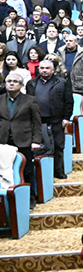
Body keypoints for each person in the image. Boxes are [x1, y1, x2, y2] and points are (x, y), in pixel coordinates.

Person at [0, 73, 42, 208]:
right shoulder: (0, 99)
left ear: (21, 85)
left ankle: (30, 198)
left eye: (15, 81)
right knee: (4, 171)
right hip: (3, 141)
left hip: (24, 140)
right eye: (9, 81)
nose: (11, 83)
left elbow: (36, 122)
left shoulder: (30, 100)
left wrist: (36, 141)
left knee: (27, 171)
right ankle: (8, 201)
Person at [26, 59, 72, 179]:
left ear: (53, 70)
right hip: (38, 121)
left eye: (47, 68)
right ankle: (42, 174)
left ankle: (58, 170)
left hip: (56, 119)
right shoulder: (32, 83)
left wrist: (66, 118)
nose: (44, 70)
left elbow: (68, 101)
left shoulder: (62, 82)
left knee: (58, 146)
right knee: (39, 148)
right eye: (42, 68)